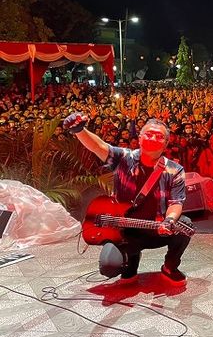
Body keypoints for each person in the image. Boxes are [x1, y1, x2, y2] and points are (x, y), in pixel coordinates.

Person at [63, 112, 190, 286]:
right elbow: (98, 146)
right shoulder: (124, 158)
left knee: (184, 225)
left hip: (155, 228)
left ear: (166, 143)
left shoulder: (175, 170)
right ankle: (130, 263)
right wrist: (79, 131)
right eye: (149, 133)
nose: (153, 137)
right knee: (109, 266)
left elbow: (176, 202)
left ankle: (170, 266)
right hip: (124, 231)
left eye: (159, 136)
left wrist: (169, 220)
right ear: (139, 138)